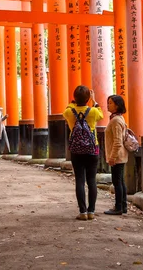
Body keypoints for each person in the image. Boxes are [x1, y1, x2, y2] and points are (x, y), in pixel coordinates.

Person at [63, 85, 104, 220]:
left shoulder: (69, 112)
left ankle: (82, 212)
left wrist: (73, 102)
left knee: (79, 180)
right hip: (92, 149)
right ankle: (91, 211)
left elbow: (67, 109)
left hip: (76, 150)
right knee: (91, 180)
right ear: (88, 99)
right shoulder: (93, 112)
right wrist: (94, 99)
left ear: (75, 98)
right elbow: (101, 113)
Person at [104, 95, 129, 215]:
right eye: (108, 102)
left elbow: (118, 141)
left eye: (110, 103)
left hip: (117, 156)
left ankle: (118, 207)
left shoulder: (115, 121)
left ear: (117, 105)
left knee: (117, 181)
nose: (108, 105)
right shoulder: (118, 118)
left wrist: (112, 157)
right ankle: (123, 206)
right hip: (120, 155)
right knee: (120, 181)